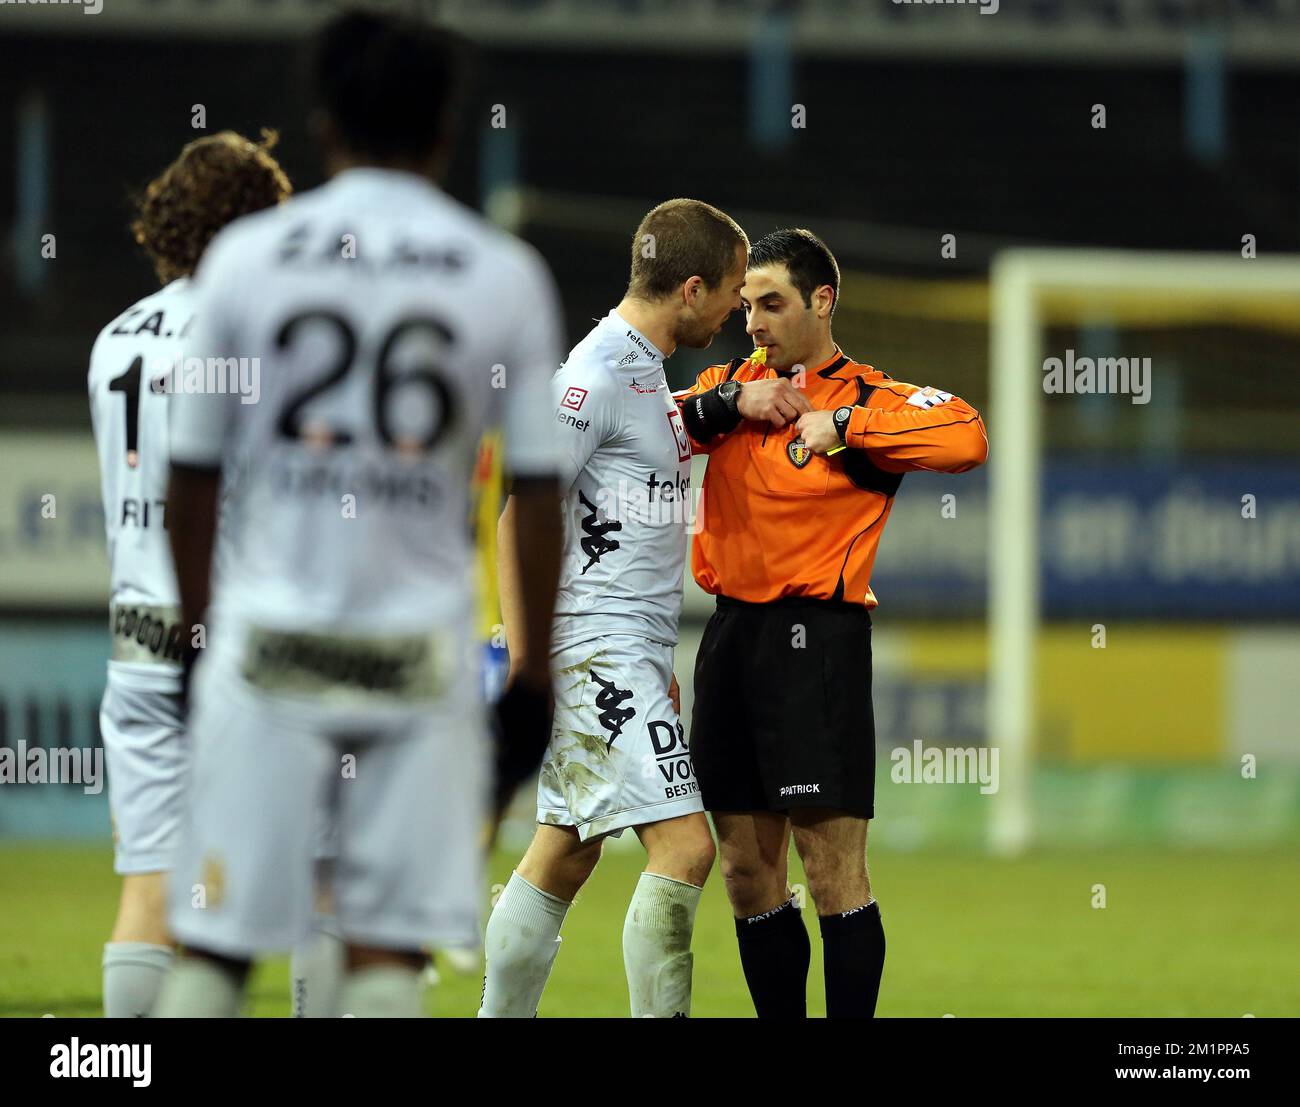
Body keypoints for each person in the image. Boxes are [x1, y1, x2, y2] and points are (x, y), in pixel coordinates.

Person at [152, 10, 563, 1018]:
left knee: (212, 947)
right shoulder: (502, 275)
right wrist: (536, 674)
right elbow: (541, 488)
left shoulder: (247, 261)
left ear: (325, 121)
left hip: (266, 645)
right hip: (416, 659)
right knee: (384, 954)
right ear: (444, 128)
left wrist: (197, 636)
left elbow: (192, 476)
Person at [674, 228, 989, 1018]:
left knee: (831, 872)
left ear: (822, 301)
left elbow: (967, 434)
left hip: (818, 644)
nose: (753, 322)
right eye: (746, 305)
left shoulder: (867, 398)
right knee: (746, 873)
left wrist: (845, 429)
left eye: (772, 304)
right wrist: (727, 401)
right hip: (729, 636)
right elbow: (639, 420)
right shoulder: (729, 384)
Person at [478, 199, 748, 1018]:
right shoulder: (595, 374)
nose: (737, 308)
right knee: (687, 847)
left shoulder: (644, 373)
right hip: (592, 645)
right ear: (692, 289)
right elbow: (520, 508)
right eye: (733, 291)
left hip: (619, 646)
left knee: (565, 850)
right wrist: (530, 660)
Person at [88, 131, 291, 1017]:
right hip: (241, 638)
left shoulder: (112, 338)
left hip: (139, 641)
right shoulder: (261, 333)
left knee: (149, 886)